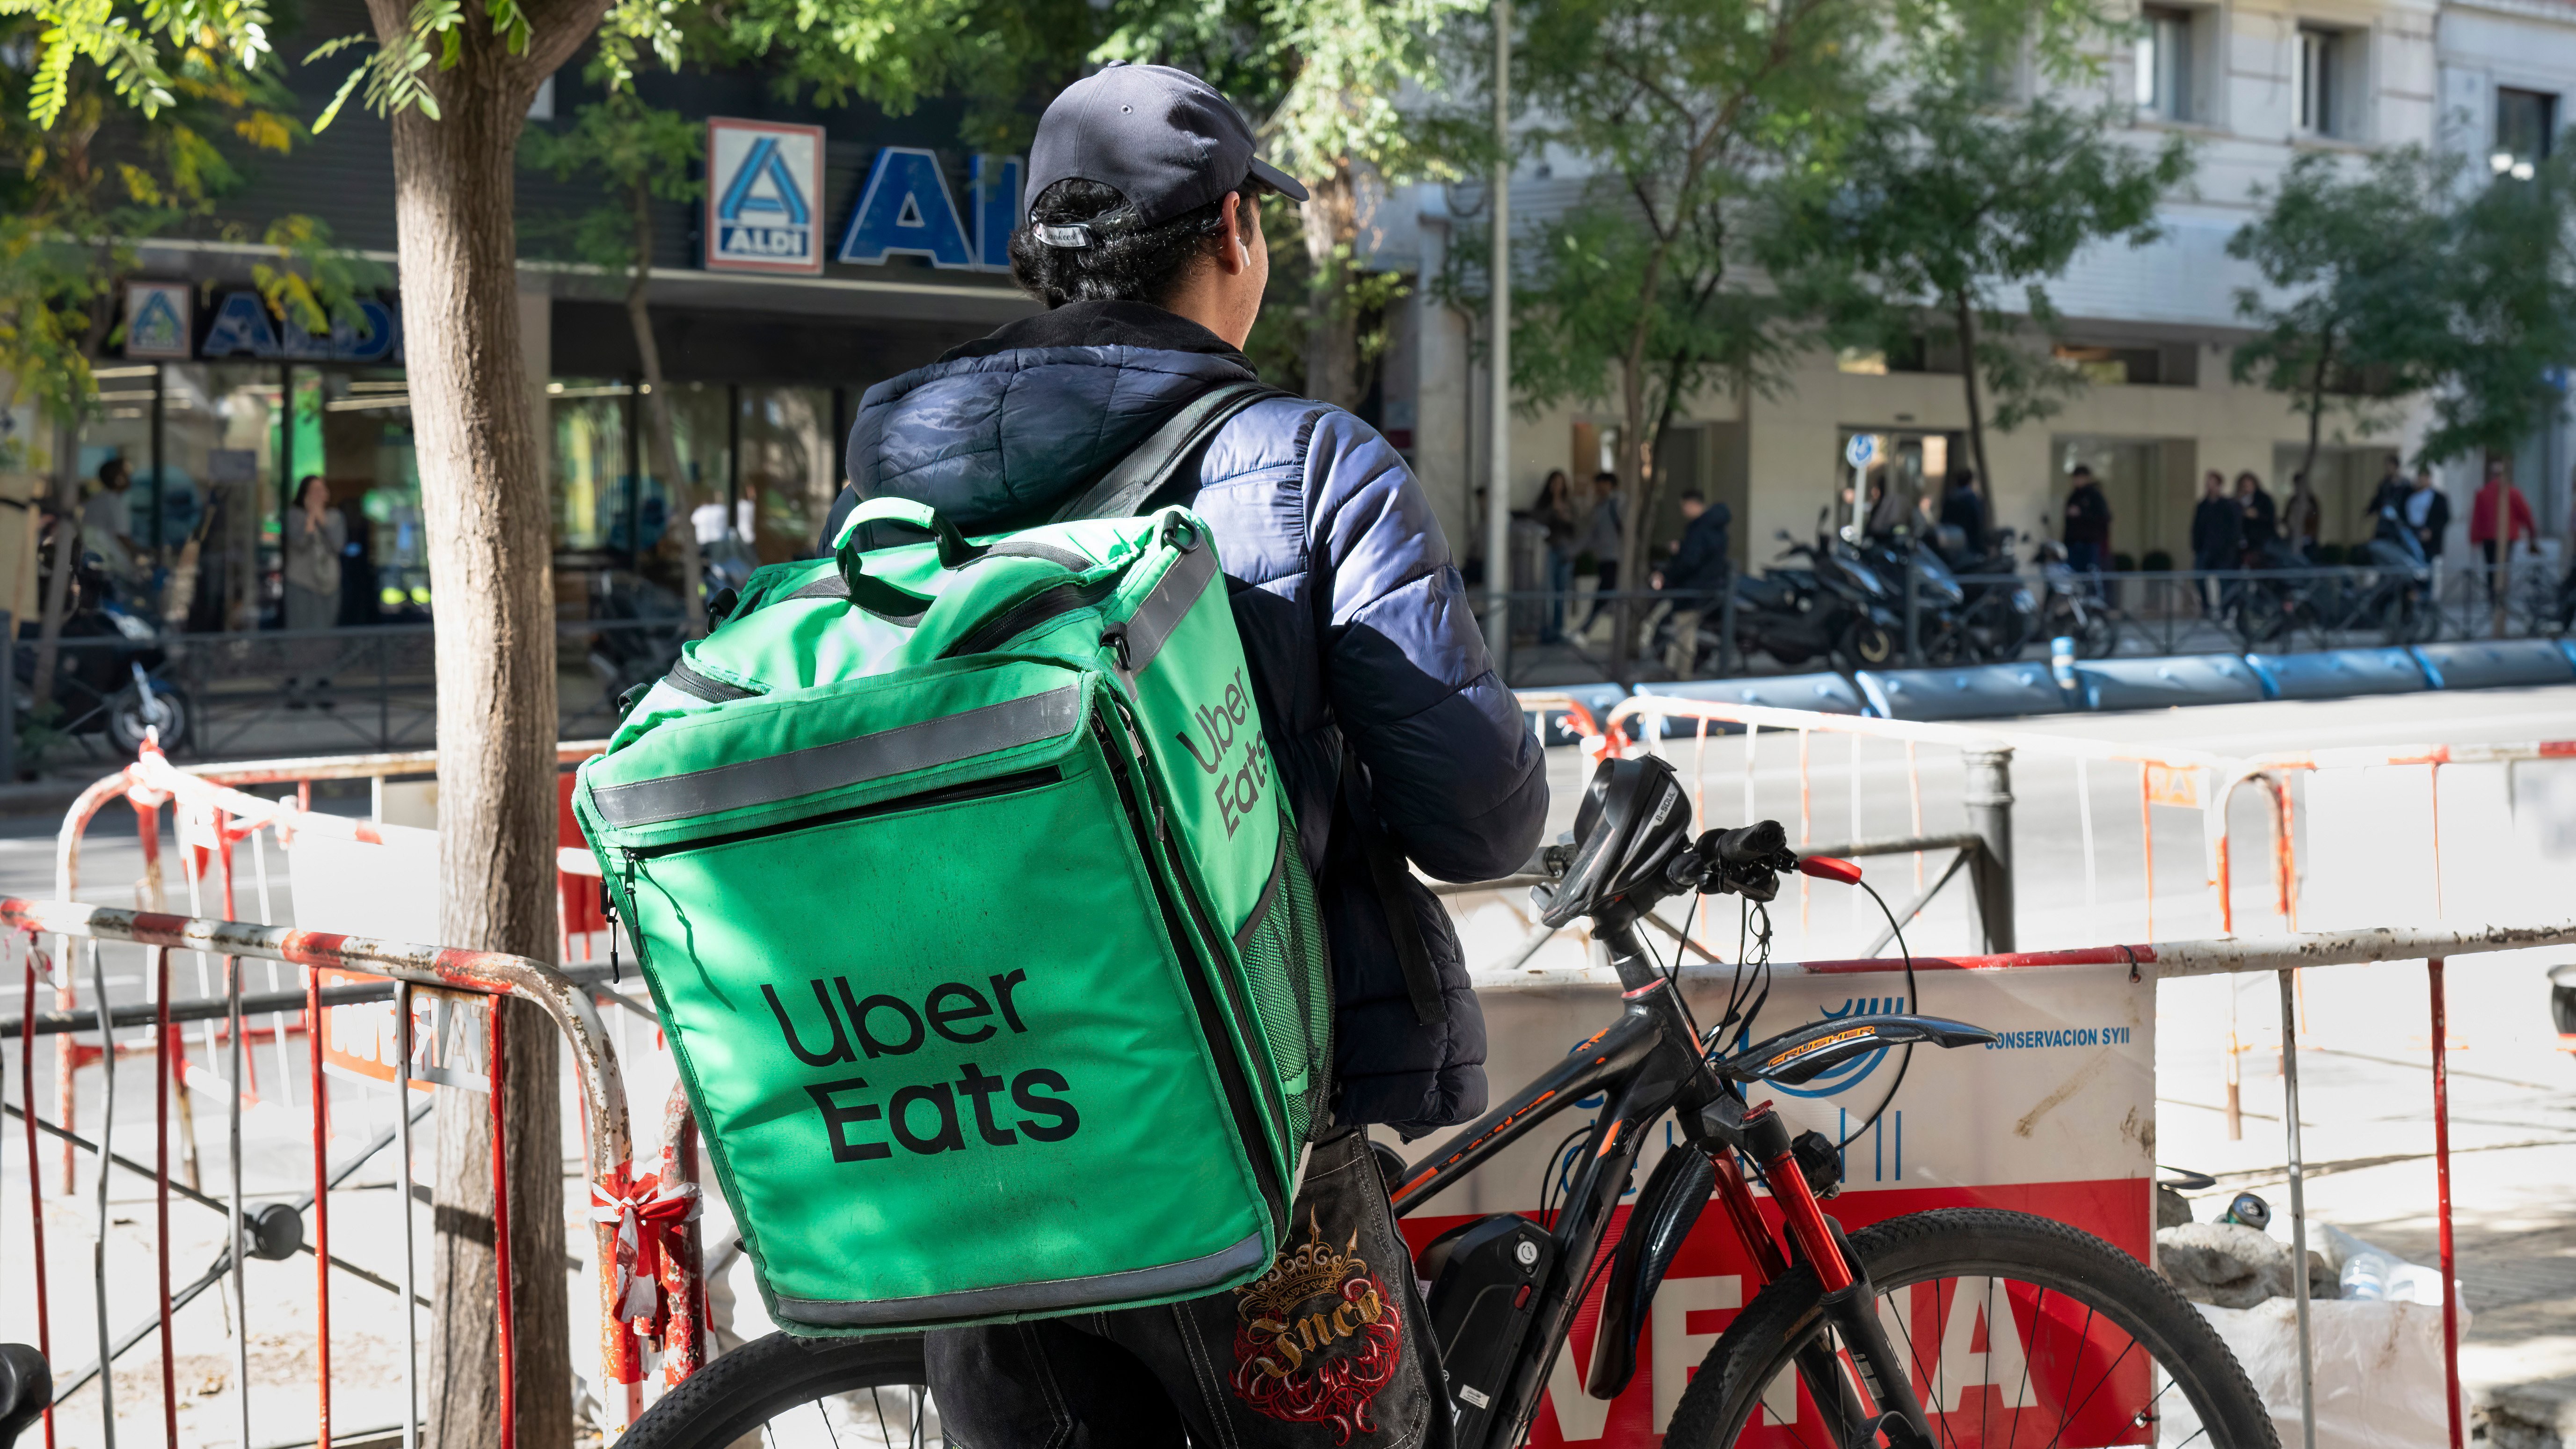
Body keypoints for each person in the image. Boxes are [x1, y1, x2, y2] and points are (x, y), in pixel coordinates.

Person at [817, 62, 1546, 1449]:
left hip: (978, 1120)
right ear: (1232, 230)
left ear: (1041, 253)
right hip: (1235, 1143)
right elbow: (1480, 822)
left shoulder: (889, 475)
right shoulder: (1311, 464)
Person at [1651, 488, 1731, 674]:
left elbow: (1690, 560)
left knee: (1685, 631)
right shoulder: (1716, 528)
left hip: (1693, 587)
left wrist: (1672, 571)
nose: (1683, 511)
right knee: (1684, 629)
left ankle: (1681, 673)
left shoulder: (1699, 528)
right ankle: (1674, 670)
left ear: (1692, 504)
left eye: (1684, 506)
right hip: (1707, 586)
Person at [282, 474, 346, 708]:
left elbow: (339, 545)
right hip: (301, 582)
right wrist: (310, 519)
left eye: (323, 490)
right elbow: (298, 543)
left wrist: (322, 520)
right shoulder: (294, 516)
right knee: (300, 635)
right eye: (314, 491)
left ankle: (323, 682)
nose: (320, 495)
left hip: (328, 585)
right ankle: (299, 685)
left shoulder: (335, 517)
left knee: (324, 635)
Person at [2468, 460, 2537, 600]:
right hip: (2491, 537)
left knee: (2499, 568)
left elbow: (2525, 514)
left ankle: (2498, 598)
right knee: (2495, 568)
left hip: (2506, 537)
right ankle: (2496, 599)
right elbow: (2477, 517)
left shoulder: (2512, 493)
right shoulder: (2484, 494)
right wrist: (2474, 539)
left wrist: (2532, 534)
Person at [1573, 469, 1624, 636]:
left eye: (1603, 485)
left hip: (1616, 557)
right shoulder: (1599, 508)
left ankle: (1585, 630)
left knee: (1604, 595)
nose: (1599, 488)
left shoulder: (1618, 503)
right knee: (1607, 596)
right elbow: (1590, 535)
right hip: (1604, 558)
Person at [1534, 467, 1579, 643]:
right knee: (1548, 590)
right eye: (1555, 483)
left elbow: (1576, 525)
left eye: (1561, 483)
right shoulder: (1544, 503)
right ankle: (1546, 630)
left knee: (1562, 591)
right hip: (1550, 549)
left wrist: (1563, 513)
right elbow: (1537, 519)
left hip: (1566, 550)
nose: (1558, 486)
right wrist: (1552, 506)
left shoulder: (1570, 504)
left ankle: (1559, 629)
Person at [2189, 471, 2241, 614]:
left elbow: (2235, 528)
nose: (2209, 486)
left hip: (2223, 551)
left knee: (2223, 582)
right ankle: (2206, 607)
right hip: (2205, 549)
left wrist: (2231, 548)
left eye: (2212, 482)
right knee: (2199, 578)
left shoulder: (2227, 505)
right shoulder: (2203, 506)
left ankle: (2225, 610)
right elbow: (2197, 527)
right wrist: (2196, 546)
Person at [80, 457, 137, 577]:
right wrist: (138, 554)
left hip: (93, 561)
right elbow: (122, 537)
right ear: (119, 479)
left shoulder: (96, 500)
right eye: (126, 474)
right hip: (111, 566)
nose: (130, 478)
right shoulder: (115, 503)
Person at [2061, 465, 2112, 576]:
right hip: (2074, 544)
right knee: (2074, 575)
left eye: (2080, 478)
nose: (2077, 481)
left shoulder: (2094, 495)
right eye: (2075, 478)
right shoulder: (2074, 496)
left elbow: (2104, 517)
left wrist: (2082, 513)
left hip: (2090, 544)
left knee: (2090, 575)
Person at [2406, 467, 2451, 561]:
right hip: (2412, 535)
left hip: (2430, 540)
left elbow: (2444, 518)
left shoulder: (2439, 498)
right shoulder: (2411, 497)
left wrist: (2432, 531)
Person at [2234, 471, 2278, 563]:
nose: (2247, 488)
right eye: (2244, 486)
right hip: (2243, 542)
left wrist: (2257, 515)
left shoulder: (2263, 500)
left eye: (2249, 485)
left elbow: (2270, 518)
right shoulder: (2236, 501)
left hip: (2261, 541)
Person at [1939, 469, 1988, 548]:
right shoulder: (1973, 500)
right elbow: (1978, 523)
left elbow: (1943, 521)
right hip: (1970, 543)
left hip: (1952, 543)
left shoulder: (1951, 499)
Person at [2282, 471, 2322, 561]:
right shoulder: (2293, 500)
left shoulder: (2311, 501)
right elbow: (2287, 518)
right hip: (2293, 537)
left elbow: (2313, 520)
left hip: (2307, 540)